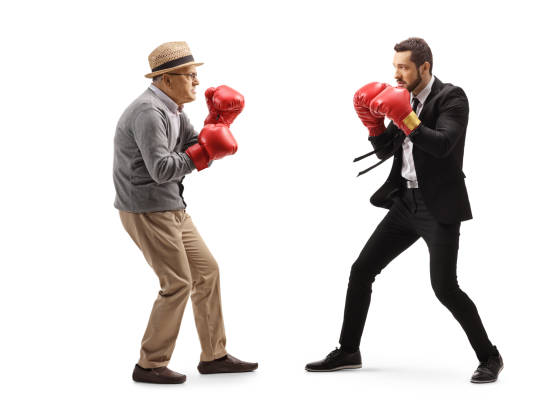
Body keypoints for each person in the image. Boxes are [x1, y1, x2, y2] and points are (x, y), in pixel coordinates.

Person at [305, 37, 503, 383]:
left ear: (424, 67)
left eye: (404, 67)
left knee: (445, 288)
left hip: (438, 207)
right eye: (394, 66)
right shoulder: (403, 98)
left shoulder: (452, 98)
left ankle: (490, 357)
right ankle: (349, 350)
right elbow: (387, 152)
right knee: (362, 269)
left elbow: (442, 145)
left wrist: (407, 117)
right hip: (404, 204)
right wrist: (372, 124)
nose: (396, 74)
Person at [113, 41, 257, 384]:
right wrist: (204, 152)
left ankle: (214, 356)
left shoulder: (173, 107)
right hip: (147, 208)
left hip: (172, 206)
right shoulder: (150, 111)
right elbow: (162, 168)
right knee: (177, 282)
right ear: (166, 78)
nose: (196, 82)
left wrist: (215, 125)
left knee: (206, 271)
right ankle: (149, 364)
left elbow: (193, 142)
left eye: (196, 75)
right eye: (190, 75)